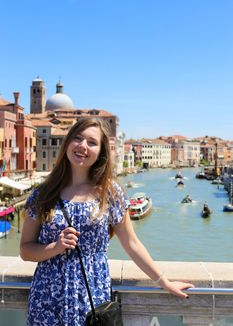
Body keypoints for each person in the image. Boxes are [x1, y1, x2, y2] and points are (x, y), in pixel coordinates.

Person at [20, 117, 193, 326]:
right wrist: (55, 247)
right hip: (47, 298)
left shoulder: (110, 193)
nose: (83, 146)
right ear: (67, 143)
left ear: (100, 152)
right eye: (78, 138)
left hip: (92, 297)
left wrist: (164, 282)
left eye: (92, 142)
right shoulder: (42, 194)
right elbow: (25, 250)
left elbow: (132, 243)